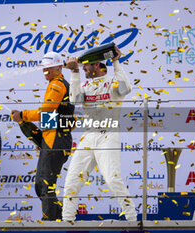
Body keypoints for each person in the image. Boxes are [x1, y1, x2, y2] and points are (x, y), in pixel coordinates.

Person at [62, 45, 137, 221]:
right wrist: (74, 72)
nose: (83, 68)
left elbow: (126, 89)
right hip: (88, 137)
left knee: (112, 179)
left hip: (108, 136)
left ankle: (133, 220)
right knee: (71, 182)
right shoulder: (85, 85)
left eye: (85, 66)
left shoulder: (113, 83)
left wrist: (116, 62)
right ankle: (67, 222)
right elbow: (74, 99)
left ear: (96, 65)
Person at [11, 52, 75, 221]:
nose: (45, 71)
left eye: (48, 68)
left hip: (57, 140)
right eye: (44, 69)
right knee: (42, 186)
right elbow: (58, 118)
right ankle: (61, 220)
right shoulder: (59, 84)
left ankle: (51, 224)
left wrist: (23, 115)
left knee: (45, 186)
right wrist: (41, 138)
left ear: (59, 67)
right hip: (55, 140)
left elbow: (47, 111)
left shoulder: (57, 85)